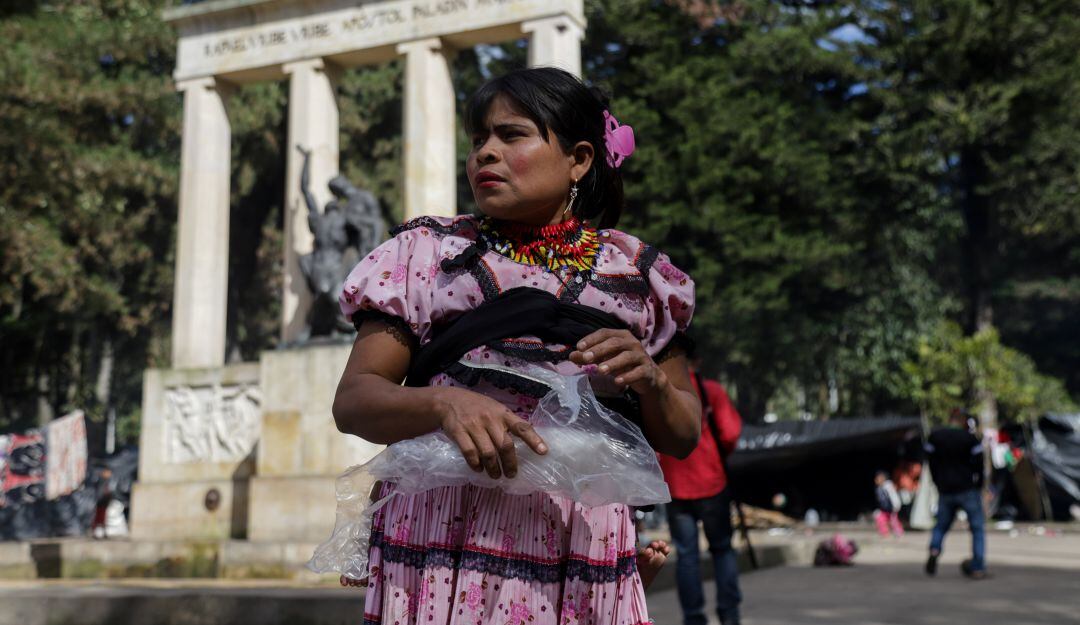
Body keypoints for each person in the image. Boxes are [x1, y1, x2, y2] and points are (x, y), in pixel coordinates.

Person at [331, 67, 701, 624]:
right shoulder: (425, 257)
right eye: (478, 139)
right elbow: (355, 401)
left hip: (580, 540)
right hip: (442, 539)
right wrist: (442, 404)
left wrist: (649, 379)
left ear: (578, 158)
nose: (485, 153)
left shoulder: (640, 277)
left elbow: (683, 434)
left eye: (512, 135)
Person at [657, 357, 744, 625]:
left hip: (676, 485)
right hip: (712, 482)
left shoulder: (661, 390)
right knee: (722, 549)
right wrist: (716, 458)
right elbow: (730, 433)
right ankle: (729, 615)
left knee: (687, 557)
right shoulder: (711, 391)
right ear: (696, 360)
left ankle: (693, 619)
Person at [925, 409, 987, 579]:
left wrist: (937, 481)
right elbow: (980, 465)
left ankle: (935, 549)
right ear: (963, 422)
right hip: (967, 488)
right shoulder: (970, 439)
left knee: (941, 525)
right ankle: (977, 566)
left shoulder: (935, 437)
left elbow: (931, 462)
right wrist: (979, 485)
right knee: (977, 528)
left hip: (945, 489)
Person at [873, 470, 903, 537]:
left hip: (891, 508)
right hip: (883, 509)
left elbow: (894, 497)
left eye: (878, 479)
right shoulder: (878, 488)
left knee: (894, 521)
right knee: (880, 519)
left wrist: (896, 506)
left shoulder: (888, 487)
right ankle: (884, 533)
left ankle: (898, 532)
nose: (876, 480)